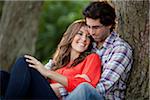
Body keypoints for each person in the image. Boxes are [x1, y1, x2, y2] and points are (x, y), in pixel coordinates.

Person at [0, 20, 102, 99]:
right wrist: (58, 84)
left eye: (88, 37)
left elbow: (86, 86)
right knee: (2, 77)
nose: (84, 39)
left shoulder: (92, 58)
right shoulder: (59, 62)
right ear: (71, 35)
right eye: (80, 34)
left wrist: (48, 74)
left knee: (25, 62)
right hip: (44, 94)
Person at [65, 1, 133, 100]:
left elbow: (102, 87)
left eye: (96, 27)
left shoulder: (120, 49)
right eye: (89, 26)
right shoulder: (87, 43)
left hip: (101, 97)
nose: (91, 32)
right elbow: (64, 64)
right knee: (34, 73)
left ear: (109, 24)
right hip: (71, 95)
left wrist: (62, 88)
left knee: (85, 89)